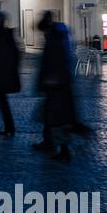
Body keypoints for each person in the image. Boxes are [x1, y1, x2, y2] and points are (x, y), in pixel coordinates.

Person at [33, 11, 78, 160]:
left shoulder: (54, 39)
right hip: (57, 83)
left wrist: (49, 79)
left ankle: (63, 150)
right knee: (51, 116)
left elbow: (53, 62)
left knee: (57, 118)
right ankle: (49, 142)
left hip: (56, 84)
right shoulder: (56, 37)